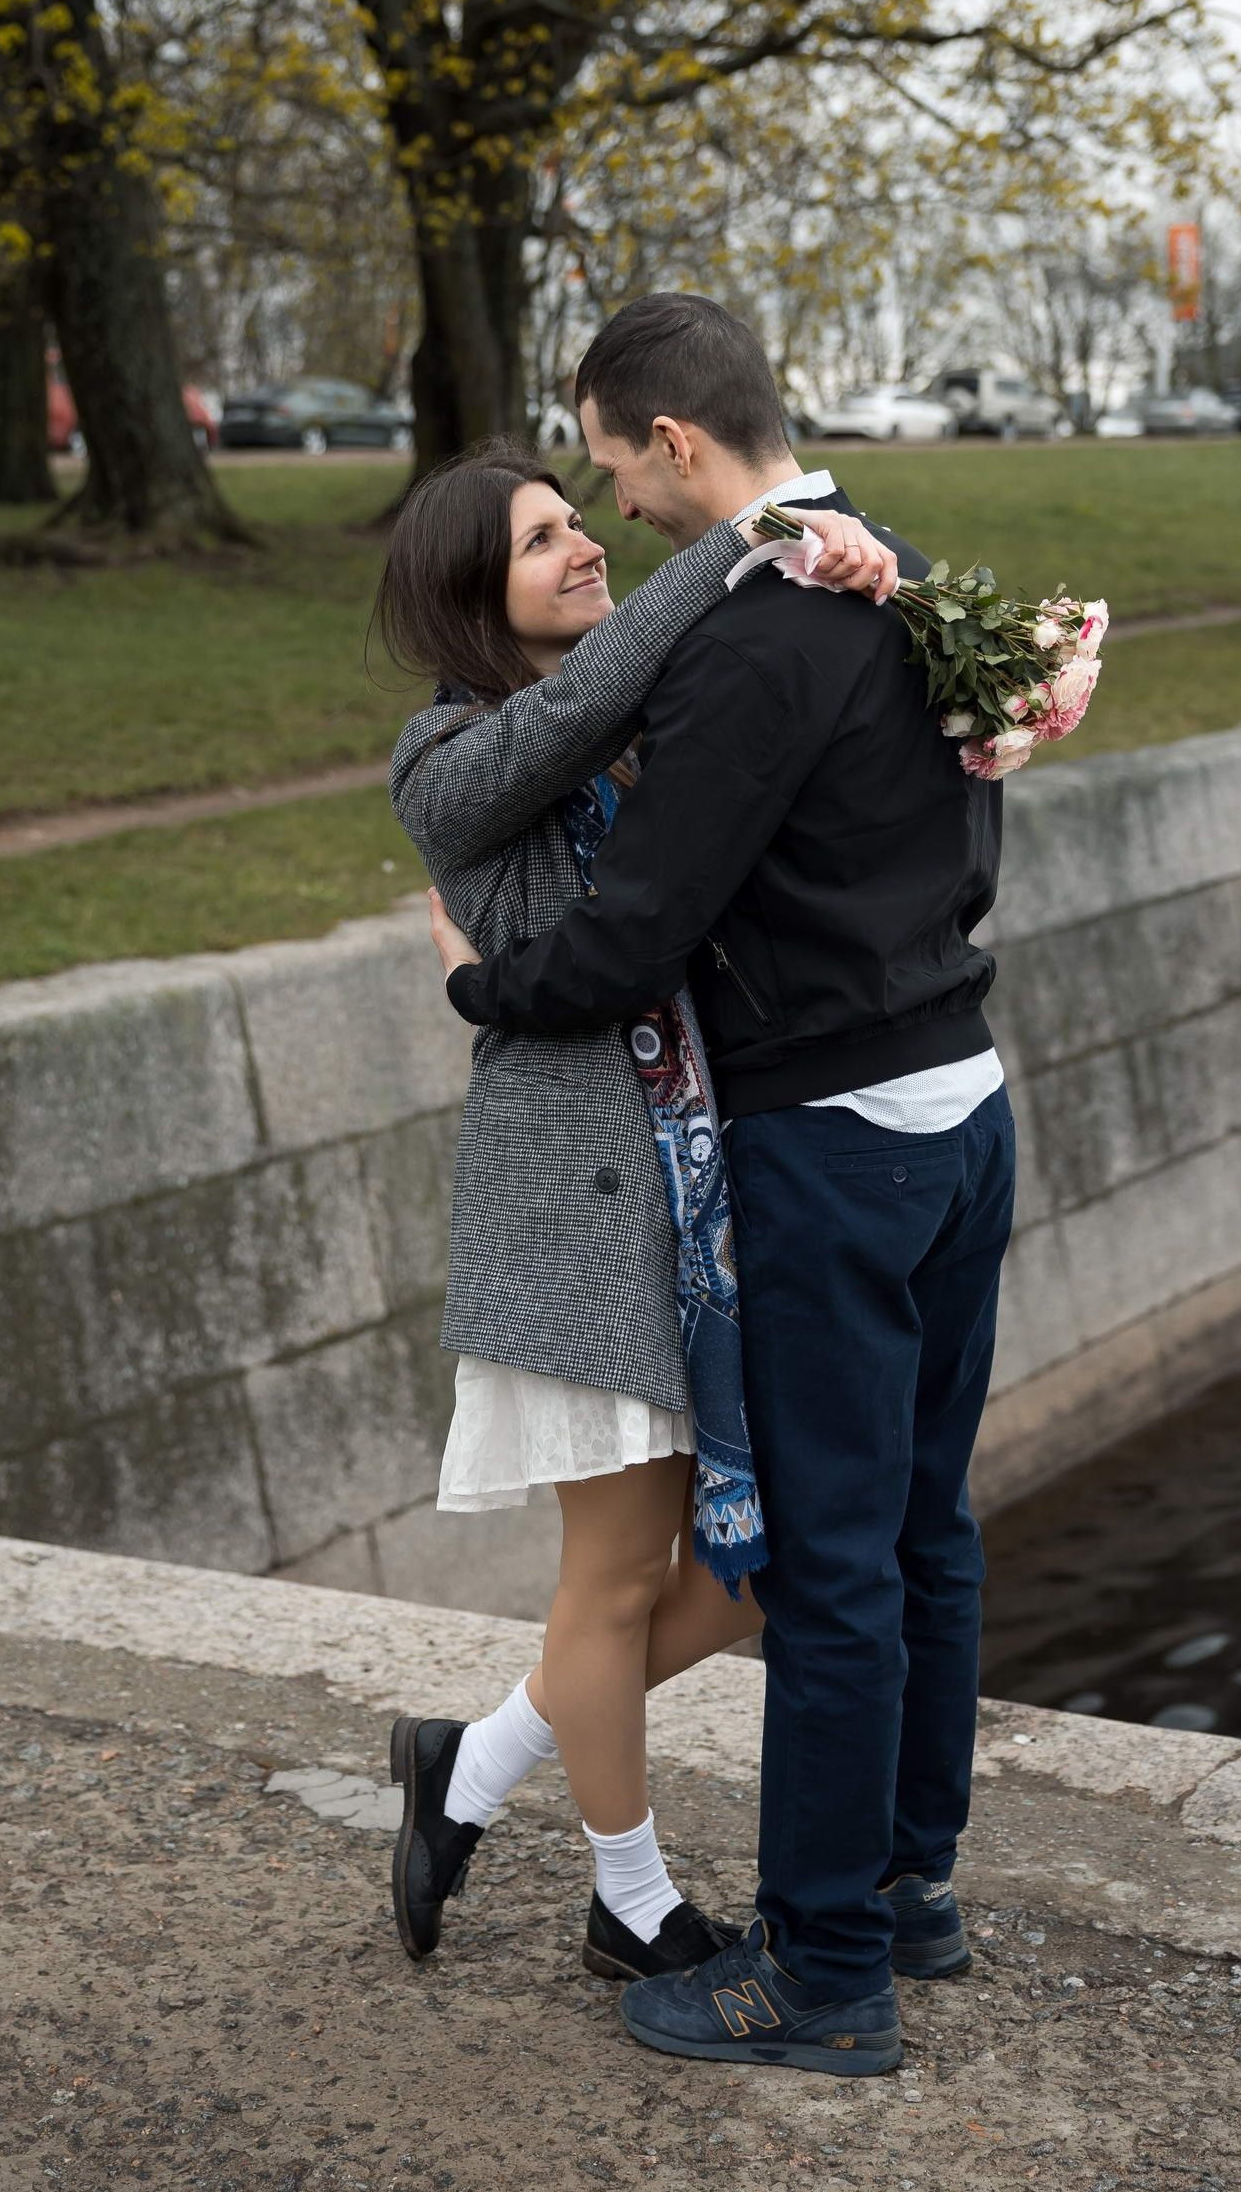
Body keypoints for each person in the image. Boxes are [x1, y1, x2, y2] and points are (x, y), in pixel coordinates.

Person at [432, 294, 1015, 2078]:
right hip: (966, 1102)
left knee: (835, 1568)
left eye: (609, 464)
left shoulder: (765, 631)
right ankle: (909, 1886)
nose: (612, 501)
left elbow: (634, 931)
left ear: (674, 440)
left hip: (832, 1134)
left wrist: (476, 984)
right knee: (927, 1528)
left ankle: (829, 1976)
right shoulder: (896, 570)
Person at [380, 438, 898, 1985]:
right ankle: (631, 1899)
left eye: (576, 522)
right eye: (543, 541)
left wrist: (838, 566)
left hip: (702, 1205)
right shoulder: (449, 757)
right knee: (611, 1582)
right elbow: (571, 712)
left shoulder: (632, 729)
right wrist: (752, 526)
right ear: (475, 597)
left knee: (751, 1563)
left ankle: (468, 1768)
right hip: (575, 1220)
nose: (583, 547)